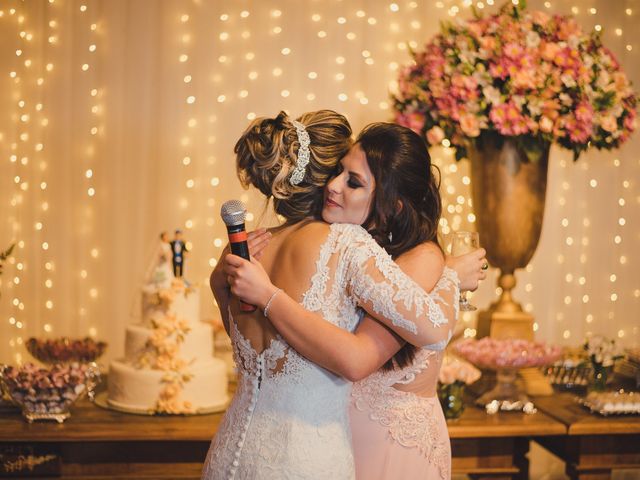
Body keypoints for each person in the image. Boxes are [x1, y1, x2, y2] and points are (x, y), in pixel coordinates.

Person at [201, 111, 479, 480]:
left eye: (351, 181)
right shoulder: (346, 243)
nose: (335, 186)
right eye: (337, 173)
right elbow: (431, 331)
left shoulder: (252, 249)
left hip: (230, 454)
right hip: (305, 460)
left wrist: (219, 288)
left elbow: (249, 354)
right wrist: (448, 277)